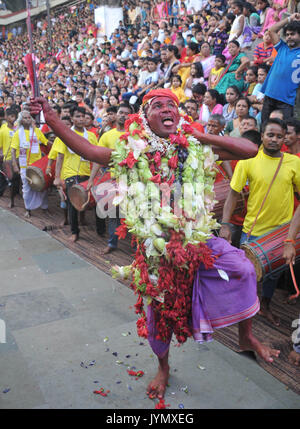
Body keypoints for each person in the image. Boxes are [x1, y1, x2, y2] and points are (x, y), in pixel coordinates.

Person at [30, 89, 280, 401]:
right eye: (157, 106)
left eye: (171, 105)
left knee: (243, 267)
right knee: (160, 317)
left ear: (179, 116)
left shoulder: (195, 146)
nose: (166, 109)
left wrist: (201, 137)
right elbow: (92, 152)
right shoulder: (134, 149)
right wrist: (51, 118)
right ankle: (163, 367)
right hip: (158, 251)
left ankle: (247, 338)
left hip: (198, 240)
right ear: (145, 118)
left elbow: (248, 150)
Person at [220, 118, 300, 326]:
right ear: (262, 135)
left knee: (272, 277)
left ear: (284, 139)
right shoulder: (248, 160)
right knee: (246, 274)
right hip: (251, 231)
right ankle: (243, 310)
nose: (274, 139)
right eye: (270, 135)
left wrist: (290, 239)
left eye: (279, 136)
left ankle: (264, 306)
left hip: (280, 235)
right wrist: (226, 225)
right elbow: (233, 194)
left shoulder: (294, 163)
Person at [87, 102, 134, 254]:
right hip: (113, 181)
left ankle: (136, 248)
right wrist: (91, 180)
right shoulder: (107, 136)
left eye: (127, 113)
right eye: (121, 112)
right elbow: (98, 160)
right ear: (116, 114)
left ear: (131, 116)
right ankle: (112, 243)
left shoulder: (136, 135)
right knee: (114, 215)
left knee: (133, 215)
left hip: (133, 181)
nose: (123, 115)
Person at [53, 106, 99, 242]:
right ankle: (75, 232)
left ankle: (84, 220)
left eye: (83, 116)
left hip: (86, 173)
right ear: (72, 118)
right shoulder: (66, 134)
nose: (81, 119)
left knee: (85, 200)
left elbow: (96, 157)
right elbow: (60, 157)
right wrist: (57, 177)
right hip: (69, 174)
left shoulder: (91, 136)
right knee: (72, 203)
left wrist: (92, 178)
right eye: (77, 116)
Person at [261, 13, 300, 123]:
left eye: (292, 34)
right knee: (264, 129)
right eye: (287, 35)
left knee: (284, 131)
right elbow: (271, 30)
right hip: (269, 95)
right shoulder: (282, 48)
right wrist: (289, 19)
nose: (288, 37)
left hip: (286, 100)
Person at [11, 110, 49, 218]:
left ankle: (44, 207)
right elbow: (13, 150)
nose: (28, 119)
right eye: (25, 118)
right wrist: (14, 164)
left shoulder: (36, 131)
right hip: (24, 165)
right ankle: (28, 209)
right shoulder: (18, 133)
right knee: (26, 188)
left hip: (37, 165)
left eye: (29, 118)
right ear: (21, 121)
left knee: (42, 186)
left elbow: (46, 142)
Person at [0, 108, 20, 208]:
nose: (12, 118)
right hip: (7, 159)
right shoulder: (3, 129)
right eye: (10, 116)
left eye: (14, 117)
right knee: (11, 181)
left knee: (17, 181)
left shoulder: (19, 129)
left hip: (19, 159)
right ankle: (11, 200)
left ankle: (15, 196)